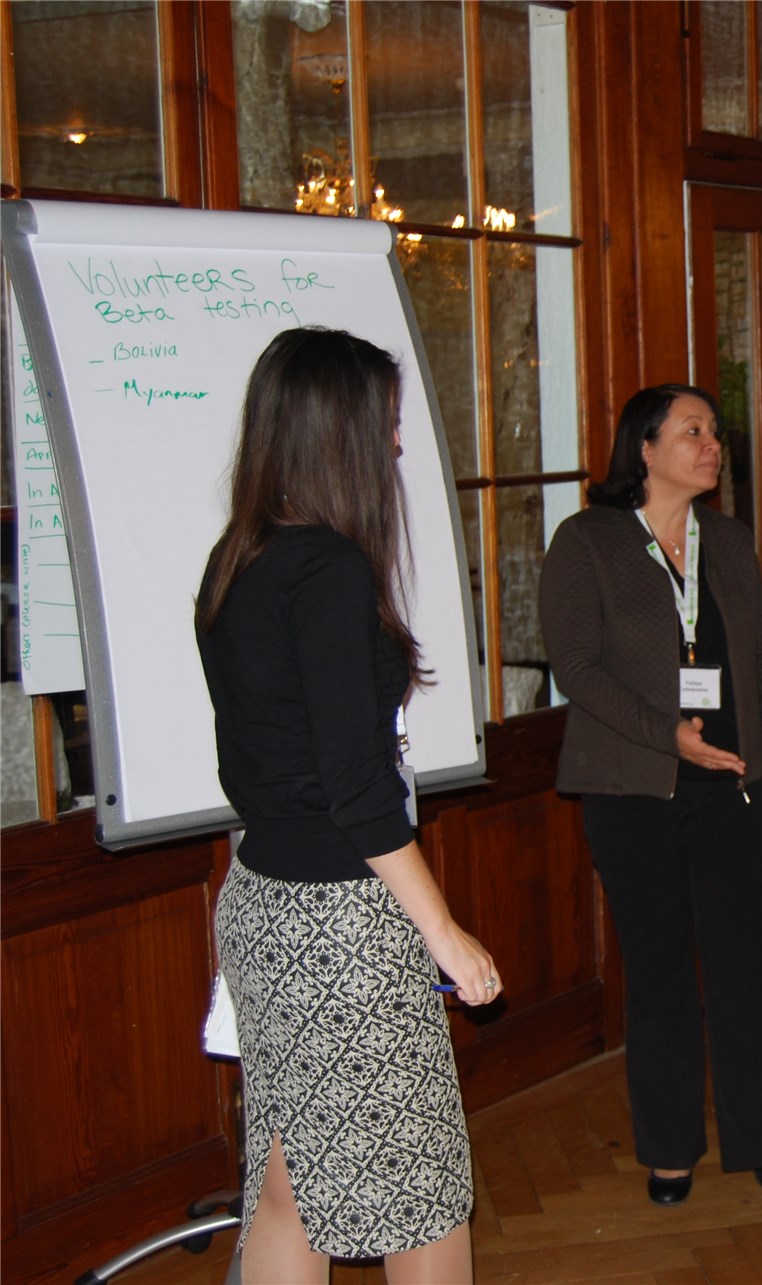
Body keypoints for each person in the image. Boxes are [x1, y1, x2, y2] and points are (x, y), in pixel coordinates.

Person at [197, 327, 499, 1284]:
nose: (398, 445)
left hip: (261, 907)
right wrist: (444, 931)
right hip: (341, 921)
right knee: (422, 1194)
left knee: (290, 1183)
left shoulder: (236, 559)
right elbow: (360, 790)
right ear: (339, 432)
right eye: (389, 425)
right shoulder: (326, 569)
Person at [539, 384, 762, 1208]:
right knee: (662, 970)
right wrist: (665, 732)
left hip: (729, 786)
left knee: (743, 964)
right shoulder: (588, 540)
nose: (713, 445)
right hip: (630, 785)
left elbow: (761, 661)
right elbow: (576, 669)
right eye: (693, 431)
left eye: (715, 431)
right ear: (644, 449)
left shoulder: (730, 540)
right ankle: (670, 1148)